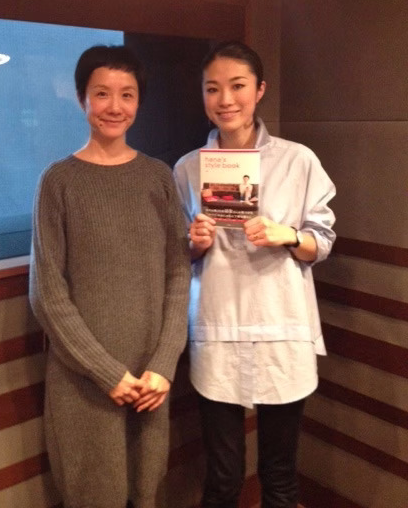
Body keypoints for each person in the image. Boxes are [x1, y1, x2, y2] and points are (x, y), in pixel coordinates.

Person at [173, 41, 336, 508]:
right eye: (212, 88)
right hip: (217, 329)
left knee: (279, 476)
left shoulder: (297, 160)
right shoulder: (187, 169)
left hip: (281, 327)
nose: (225, 99)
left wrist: (287, 234)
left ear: (259, 90)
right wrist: (194, 242)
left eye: (237, 86)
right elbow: (175, 256)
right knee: (223, 478)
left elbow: (322, 241)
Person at [29, 45, 191, 508]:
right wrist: (107, 374)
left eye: (127, 94)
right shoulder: (58, 181)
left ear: (139, 101)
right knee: (93, 495)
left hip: (149, 380)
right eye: (102, 93)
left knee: (146, 491)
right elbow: (47, 294)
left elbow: (178, 272)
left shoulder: (158, 177)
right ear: (82, 98)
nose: (115, 106)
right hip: (84, 383)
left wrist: (164, 365)